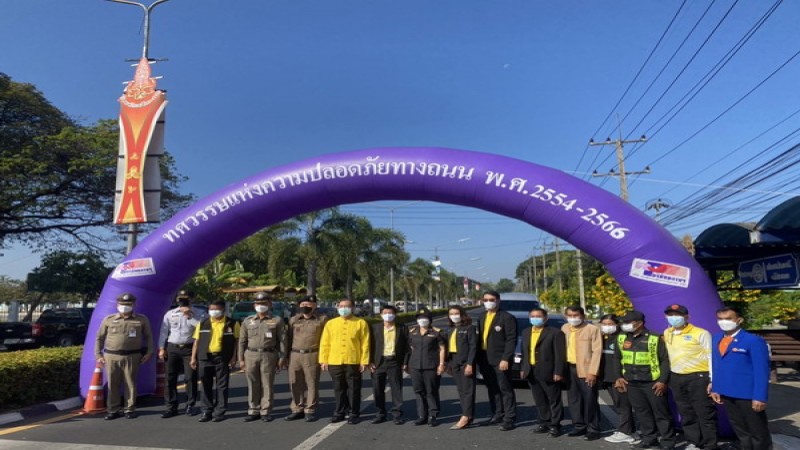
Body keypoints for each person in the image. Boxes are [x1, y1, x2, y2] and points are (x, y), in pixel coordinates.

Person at [709, 307, 772, 450]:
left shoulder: (753, 341)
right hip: (727, 392)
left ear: (739, 320)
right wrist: (716, 387)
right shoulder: (716, 338)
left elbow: (761, 370)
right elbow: (716, 364)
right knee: (740, 429)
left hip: (748, 394)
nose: (724, 322)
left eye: (728, 318)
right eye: (720, 319)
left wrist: (760, 396)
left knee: (757, 431)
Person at [614, 310, 674, 450]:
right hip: (631, 382)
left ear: (639, 323)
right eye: (624, 322)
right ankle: (649, 438)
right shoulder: (622, 337)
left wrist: (662, 381)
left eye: (628, 322)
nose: (625, 325)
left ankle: (667, 441)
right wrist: (618, 377)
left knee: (661, 413)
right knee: (642, 412)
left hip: (652, 382)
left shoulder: (654, 338)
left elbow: (665, 360)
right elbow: (617, 358)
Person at [662, 304, 717, 450]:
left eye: (677, 315)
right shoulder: (668, 332)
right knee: (686, 412)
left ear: (687, 317)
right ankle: (695, 442)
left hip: (698, 377)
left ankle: (710, 445)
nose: (674, 318)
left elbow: (710, 356)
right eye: (670, 315)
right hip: (677, 377)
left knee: (704, 412)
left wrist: (712, 379)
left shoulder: (701, 333)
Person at [95, 293, 154, 420]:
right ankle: (113, 409)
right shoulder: (109, 319)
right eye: (122, 304)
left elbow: (148, 337)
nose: (125, 307)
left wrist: (149, 352)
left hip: (132, 355)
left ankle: (129, 409)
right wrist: (98, 354)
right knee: (112, 383)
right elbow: (99, 338)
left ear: (133, 305)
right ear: (117, 305)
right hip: (111, 355)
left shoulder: (141, 319)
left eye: (128, 305)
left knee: (130, 383)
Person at [319, 298, 370, 424]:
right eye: (341, 306)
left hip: (353, 360)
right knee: (338, 388)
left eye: (346, 306)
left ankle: (354, 413)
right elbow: (325, 343)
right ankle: (340, 412)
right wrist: (323, 360)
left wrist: (364, 361)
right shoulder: (331, 323)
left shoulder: (360, 323)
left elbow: (365, 343)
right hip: (334, 360)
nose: (343, 308)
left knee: (353, 388)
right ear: (337, 307)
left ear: (352, 308)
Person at [238, 292, 288, 422]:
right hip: (251, 354)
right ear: (254, 305)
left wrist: (282, 358)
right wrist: (241, 360)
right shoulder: (248, 321)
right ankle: (253, 409)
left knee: (267, 383)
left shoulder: (277, 320)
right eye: (258, 303)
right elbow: (242, 341)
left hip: (268, 354)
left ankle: (265, 410)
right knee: (252, 383)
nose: (261, 306)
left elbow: (282, 341)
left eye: (264, 303)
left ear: (270, 304)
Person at [158, 290, 207, 418]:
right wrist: (162, 348)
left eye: (186, 299)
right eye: (180, 299)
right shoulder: (170, 313)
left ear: (192, 299)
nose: (183, 301)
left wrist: (190, 316)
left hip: (190, 348)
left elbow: (201, 329)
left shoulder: (199, 313)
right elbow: (164, 331)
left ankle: (190, 405)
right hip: (172, 347)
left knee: (190, 377)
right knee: (170, 377)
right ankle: (171, 407)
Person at [191, 300, 240, 423]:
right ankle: (206, 411)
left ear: (223, 309)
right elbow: (196, 342)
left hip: (222, 357)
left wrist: (235, 357)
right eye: (211, 309)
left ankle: (219, 412)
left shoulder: (232, 323)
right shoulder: (203, 323)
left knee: (222, 385)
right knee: (205, 385)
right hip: (205, 357)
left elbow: (237, 342)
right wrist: (193, 358)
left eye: (216, 309)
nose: (214, 311)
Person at [521, 306, 566, 437]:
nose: (535, 319)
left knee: (553, 399)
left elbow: (559, 355)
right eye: (532, 316)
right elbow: (525, 352)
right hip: (531, 370)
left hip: (549, 371)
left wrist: (558, 372)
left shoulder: (555, 333)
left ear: (546, 318)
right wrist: (524, 368)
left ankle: (555, 425)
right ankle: (544, 422)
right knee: (539, 399)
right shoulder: (526, 332)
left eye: (538, 316)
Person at [476, 290, 517, 431]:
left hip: (500, 359)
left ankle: (509, 418)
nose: (489, 302)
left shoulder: (507, 317)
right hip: (485, 359)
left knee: (505, 389)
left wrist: (506, 358)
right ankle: (497, 414)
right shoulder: (481, 316)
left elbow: (511, 340)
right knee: (492, 389)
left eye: (492, 299)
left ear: (498, 300)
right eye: (486, 299)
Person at [562, 305, 603, 441]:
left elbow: (597, 352)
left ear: (583, 316)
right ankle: (579, 426)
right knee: (574, 399)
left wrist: (592, 372)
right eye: (570, 316)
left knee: (590, 399)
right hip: (569, 368)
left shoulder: (592, 329)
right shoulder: (565, 328)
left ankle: (593, 429)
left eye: (576, 316)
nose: (573, 319)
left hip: (586, 369)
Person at [285, 295, 327, 422]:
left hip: (312, 354)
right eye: (303, 304)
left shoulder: (322, 320)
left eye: (309, 304)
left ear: (315, 305)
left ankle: (310, 409)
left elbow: (326, 339)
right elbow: (288, 338)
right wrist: (286, 357)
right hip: (295, 354)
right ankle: (297, 408)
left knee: (312, 383)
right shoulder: (293, 320)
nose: (305, 306)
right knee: (295, 382)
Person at [599, 314, 636, 444]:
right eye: (604, 324)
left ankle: (626, 432)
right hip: (607, 377)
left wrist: (619, 377)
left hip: (619, 378)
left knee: (623, 405)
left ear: (617, 324)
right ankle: (627, 429)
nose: (607, 327)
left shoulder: (622, 338)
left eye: (610, 324)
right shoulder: (604, 337)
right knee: (619, 404)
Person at [406, 309, 447, 426]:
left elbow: (442, 349)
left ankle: (433, 415)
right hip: (415, 366)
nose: (422, 320)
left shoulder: (436, 333)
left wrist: (441, 364)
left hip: (431, 366)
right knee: (419, 391)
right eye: (419, 318)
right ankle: (421, 416)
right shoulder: (412, 332)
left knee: (431, 391)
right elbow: (410, 347)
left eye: (425, 318)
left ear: (430, 320)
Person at [369, 304, 409, 425]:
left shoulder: (402, 328)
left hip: (395, 361)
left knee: (396, 388)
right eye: (385, 313)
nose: (388, 315)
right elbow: (369, 345)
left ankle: (397, 414)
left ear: (395, 314)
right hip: (378, 362)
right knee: (377, 388)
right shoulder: (375, 328)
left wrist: (405, 362)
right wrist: (369, 361)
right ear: (381, 314)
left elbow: (407, 347)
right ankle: (380, 413)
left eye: (390, 313)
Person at [446, 305, 477, 430]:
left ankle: (465, 416)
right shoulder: (451, 329)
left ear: (462, 314)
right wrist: (448, 364)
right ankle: (468, 415)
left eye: (456, 313)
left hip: (465, 362)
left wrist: (470, 364)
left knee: (468, 391)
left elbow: (473, 347)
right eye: (451, 314)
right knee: (461, 391)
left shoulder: (469, 328)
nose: (454, 316)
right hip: (454, 362)